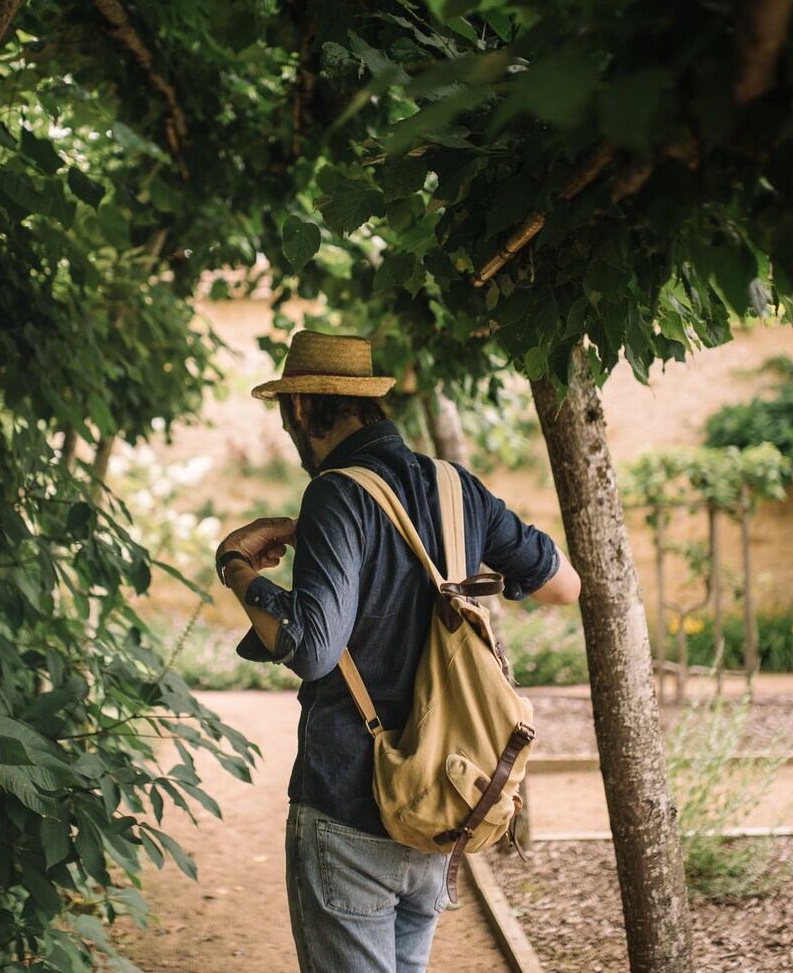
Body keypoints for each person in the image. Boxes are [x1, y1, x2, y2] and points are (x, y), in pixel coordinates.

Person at [213, 330, 581, 973]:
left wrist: (238, 568)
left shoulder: (335, 492)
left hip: (352, 805)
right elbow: (564, 587)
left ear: (299, 409)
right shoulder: (454, 486)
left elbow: (312, 648)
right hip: (442, 802)